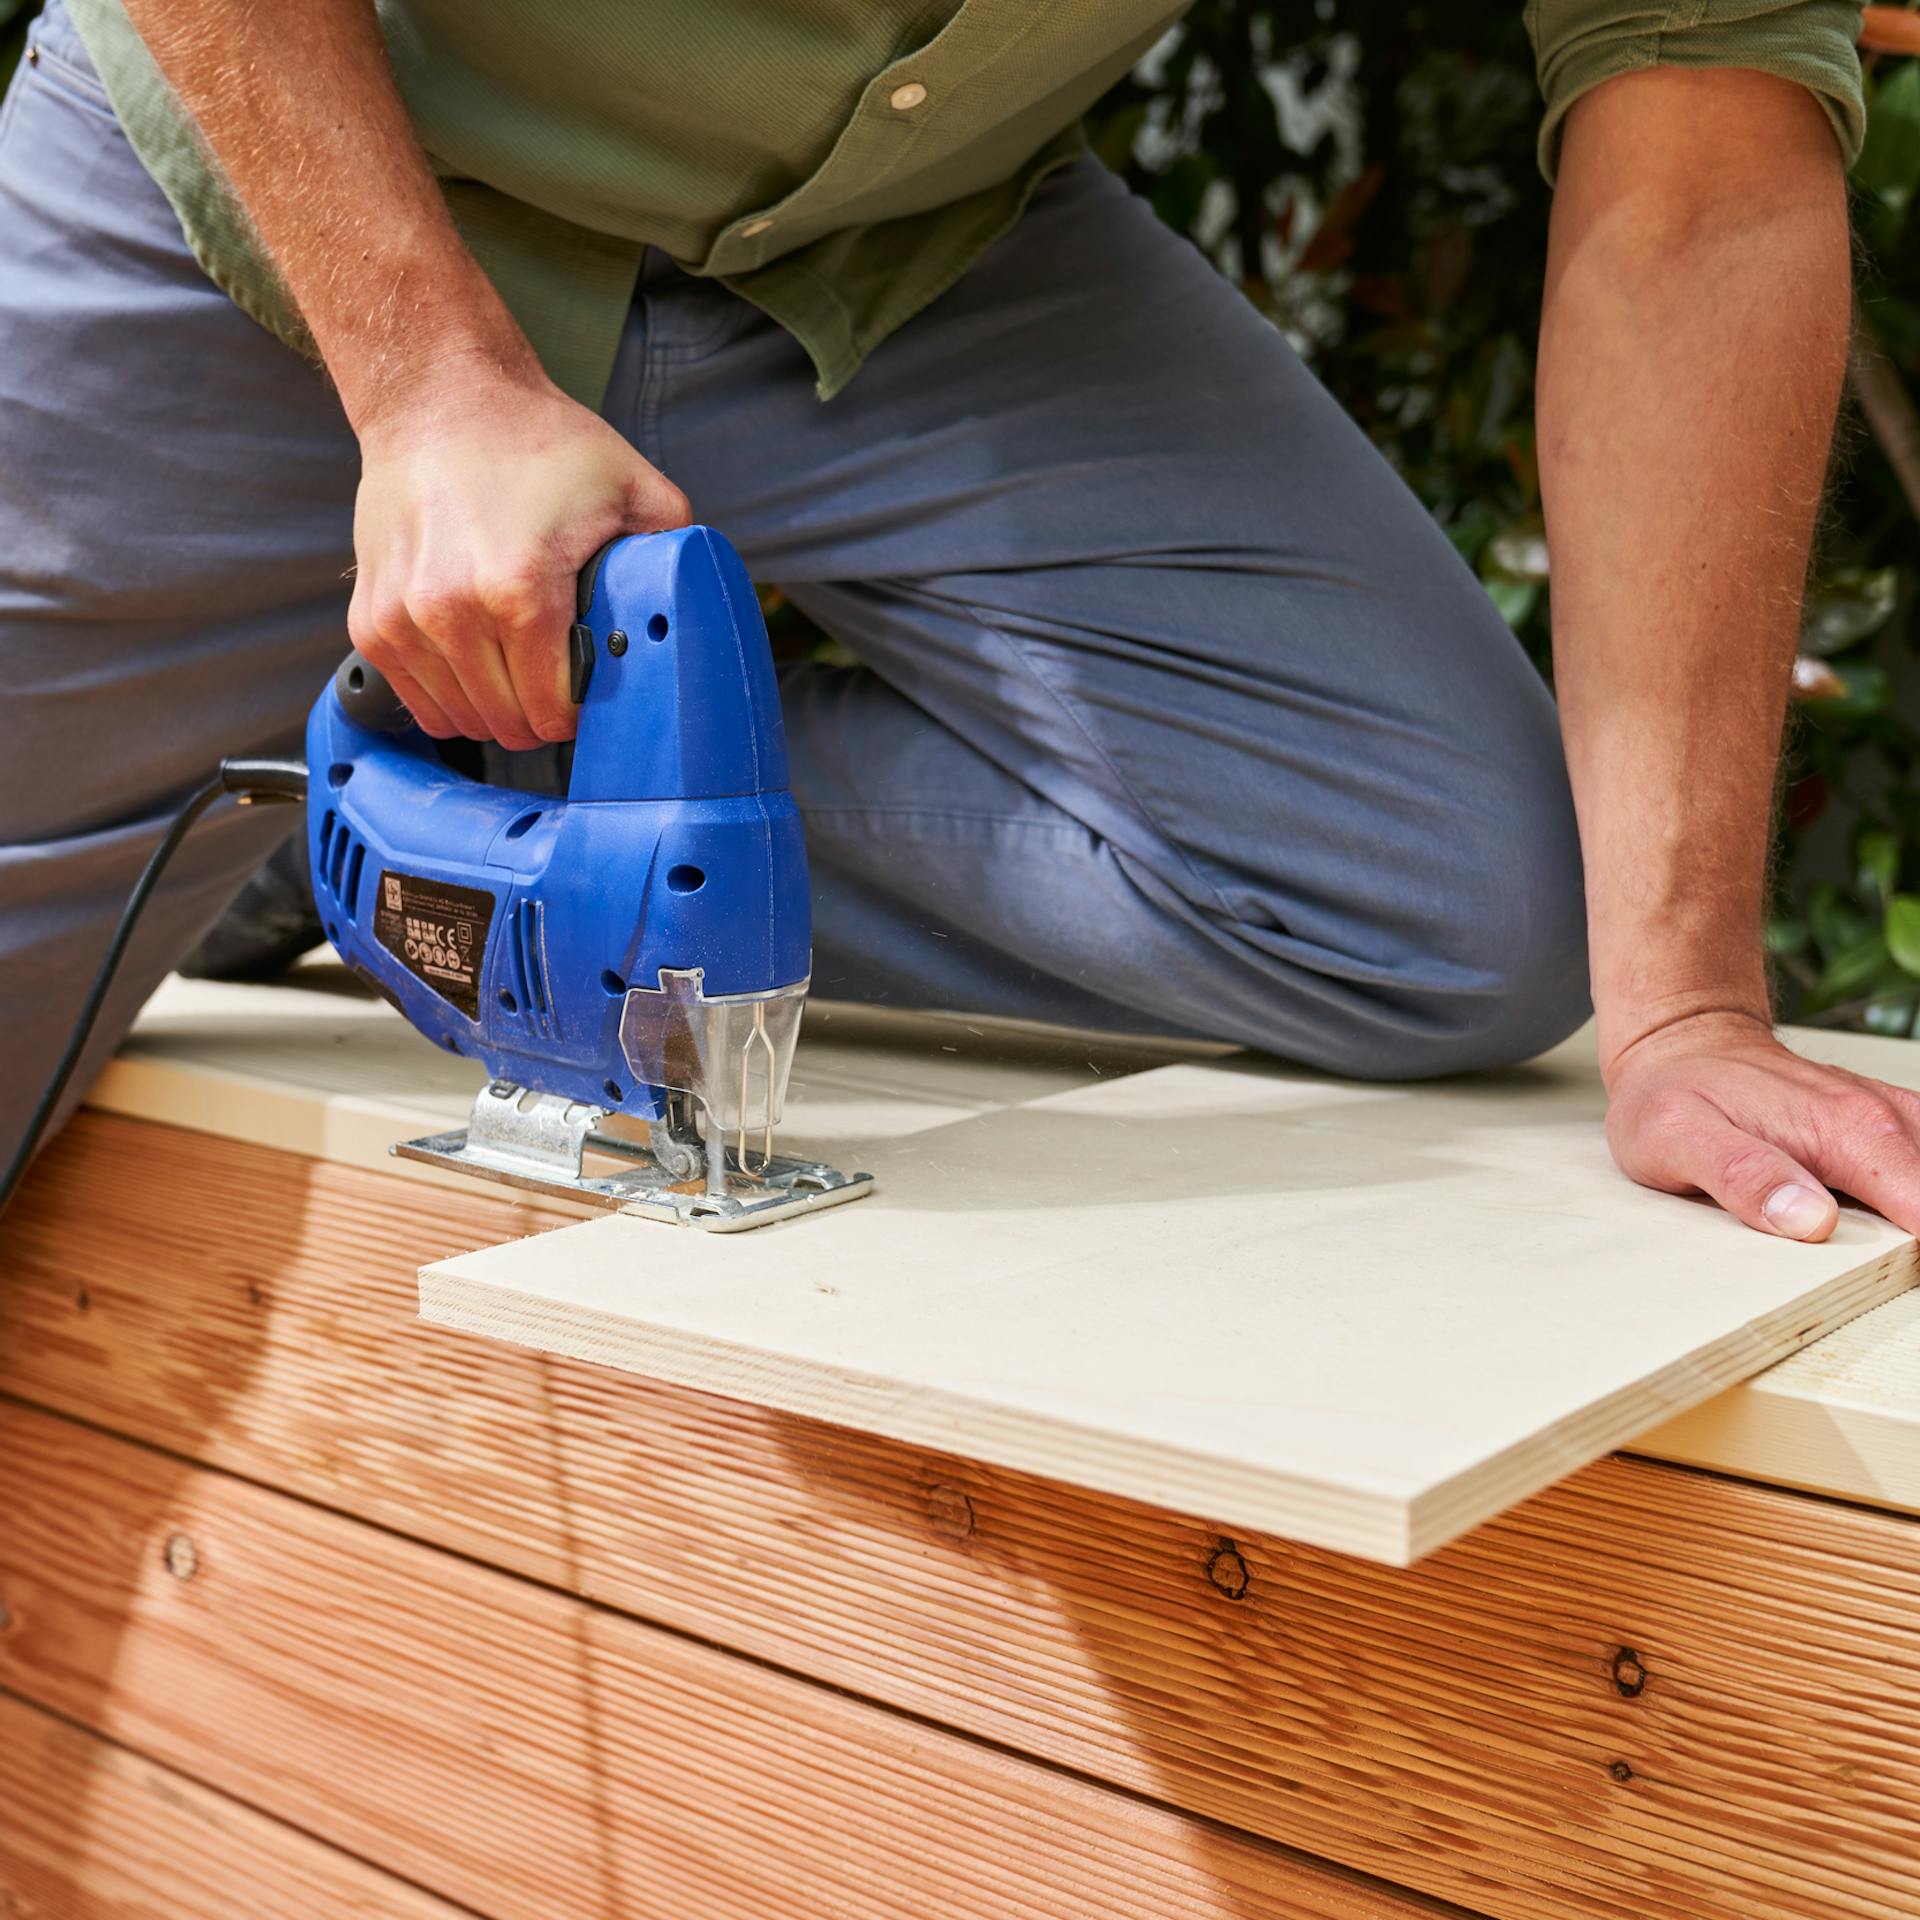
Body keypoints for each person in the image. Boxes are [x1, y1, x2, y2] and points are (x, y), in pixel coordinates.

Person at [2, 0, 1911, 1241]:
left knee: (1453, 906)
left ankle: (369, 845)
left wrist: (1691, 1010)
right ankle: (264, 804)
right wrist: (420, 374)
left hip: (909, 249)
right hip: (297, 197)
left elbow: (1705, 174)